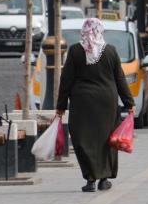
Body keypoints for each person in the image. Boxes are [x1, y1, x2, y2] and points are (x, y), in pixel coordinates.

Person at [56, 18, 135, 193]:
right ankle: (104, 179)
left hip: (82, 102)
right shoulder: (110, 51)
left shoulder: (75, 51)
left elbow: (66, 80)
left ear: (84, 31)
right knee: (106, 139)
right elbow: (120, 79)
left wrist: (61, 105)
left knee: (83, 139)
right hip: (106, 101)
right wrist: (129, 103)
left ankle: (90, 179)